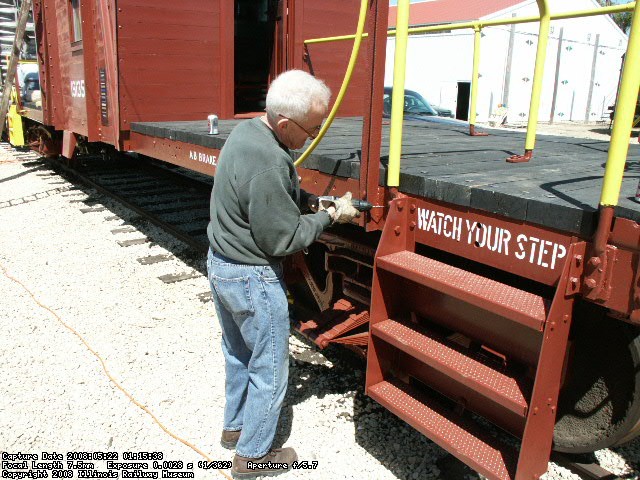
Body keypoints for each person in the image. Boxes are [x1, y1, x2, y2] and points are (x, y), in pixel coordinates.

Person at [206, 69, 359, 479]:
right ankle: (252, 457)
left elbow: (276, 191)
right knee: (270, 368)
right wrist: (328, 216)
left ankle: (235, 429)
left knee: (239, 353)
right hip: (251, 277)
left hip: (221, 265)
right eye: (310, 129)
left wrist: (310, 200)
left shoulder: (249, 132)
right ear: (286, 123)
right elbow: (282, 240)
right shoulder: (270, 159)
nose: (312, 137)